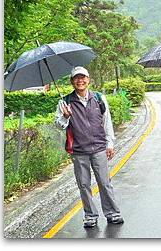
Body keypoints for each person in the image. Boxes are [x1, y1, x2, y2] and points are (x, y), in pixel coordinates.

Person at [55, 66, 124, 228]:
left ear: (88, 79)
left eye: (83, 77)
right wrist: (65, 117)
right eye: (76, 78)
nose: (80, 81)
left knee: (104, 182)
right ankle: (90, 215)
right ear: (72, 82)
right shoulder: (65, 102)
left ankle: (112, 213)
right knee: (84, 185)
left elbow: (107, 122)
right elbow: (59, 125)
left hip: (99, 148)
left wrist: (110, 143)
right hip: (79, 151)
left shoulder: (99, 98)